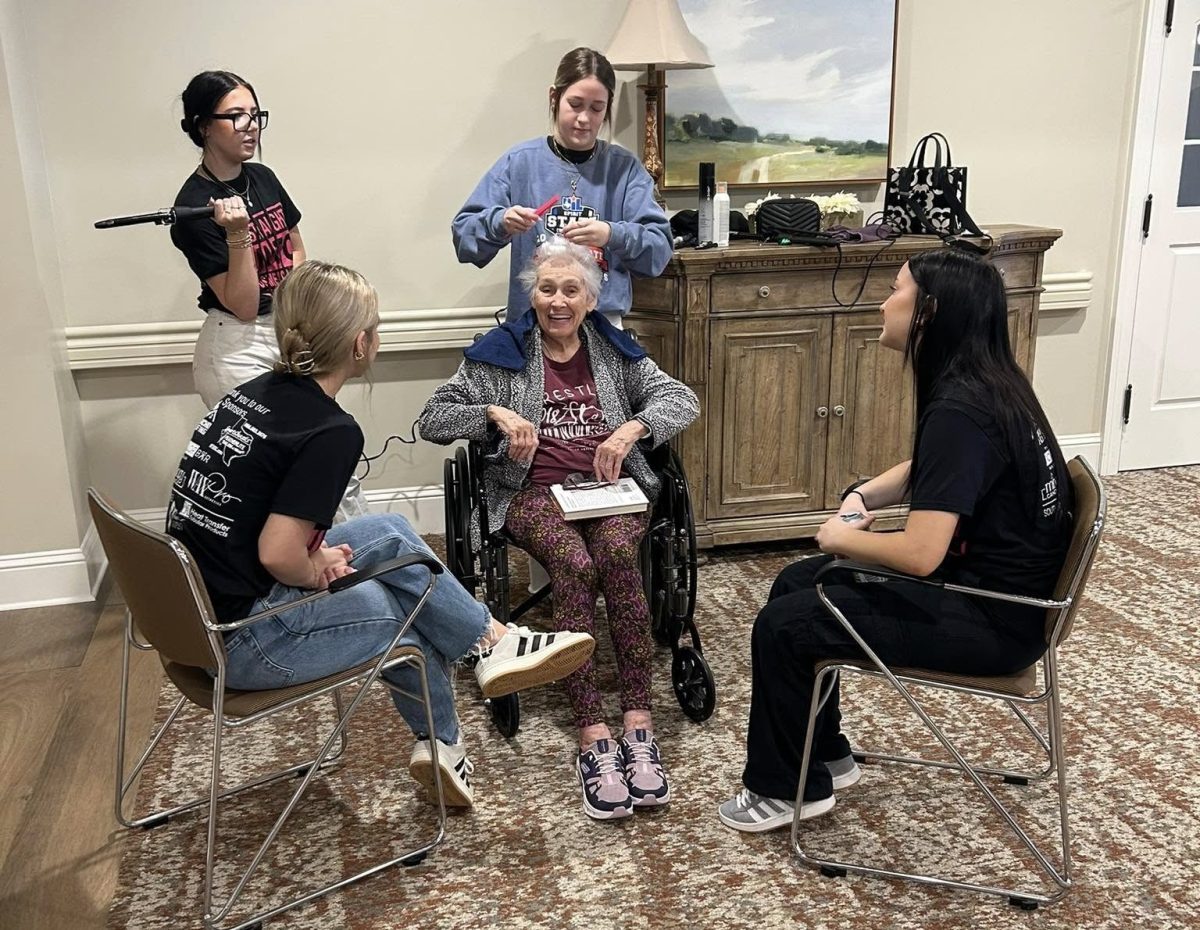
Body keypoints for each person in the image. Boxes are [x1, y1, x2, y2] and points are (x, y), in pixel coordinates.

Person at [165, 260, 595, 810]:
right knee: (403, 615)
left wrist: (310, 558)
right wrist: (313, 568)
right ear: (362, 343)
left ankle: (490, 642)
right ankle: (446, 733)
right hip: (243, 639)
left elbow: (252, 521)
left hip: (188, 614)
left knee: (392, 533)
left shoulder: (250, 394)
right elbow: (278, 553)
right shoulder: (328, 430)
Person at [718, 247, 1074, 833]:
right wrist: (866, 494)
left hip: (995, 621)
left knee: (786, 626)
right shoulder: (991, 382)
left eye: (895, 289)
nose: (884, 302)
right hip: (1001, 599)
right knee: (796, 582)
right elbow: (932, 468)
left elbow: (920, 554)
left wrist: (842, 536)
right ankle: (825, 753)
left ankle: (785, 790)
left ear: (928, 311)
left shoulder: (961, 407)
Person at [419, 239, 699, 821]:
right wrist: (493, 414)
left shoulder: (614, 349)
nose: (558, 301)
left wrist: (632, 429)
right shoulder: (501, 353)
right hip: (532, 491)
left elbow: (682, 398)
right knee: (574, 564)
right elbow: (435, 418)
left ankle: (638, 723)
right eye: (547, 289)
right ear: (533, 297)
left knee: (619, 556)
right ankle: (593, 732)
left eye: (571, 289)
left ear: (590, 298)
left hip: (610, 487)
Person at [170, 69, 367, 522]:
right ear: (203, 126)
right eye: (235, 116)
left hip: (285, 331)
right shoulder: (194, 204)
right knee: (293, 470)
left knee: (331, 460)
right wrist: (238, 235)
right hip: (237, 346)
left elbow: (294, 243)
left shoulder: (262, 177)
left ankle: (362, 563)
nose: (250, 125)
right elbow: (240, 302)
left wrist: (296, 306)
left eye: (255, 114)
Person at [451, 46, 672, 329]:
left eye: (596, 108)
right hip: (533, 325)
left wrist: (611, 234)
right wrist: (500, 222)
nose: (584, 119)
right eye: (575, 104)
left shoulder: (624, 170)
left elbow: (658, 250)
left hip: (602, 326)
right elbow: (464, 237)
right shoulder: (520, 163)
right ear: (554, 97)